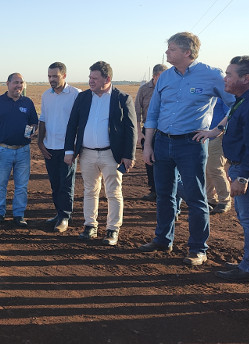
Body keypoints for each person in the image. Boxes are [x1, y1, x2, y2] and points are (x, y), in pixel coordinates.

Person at [140, 32, 235, 266]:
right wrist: (147, 145)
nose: (167, 53)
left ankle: (197, 249)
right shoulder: (165, 78)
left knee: (195, 197)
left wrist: (217, 130)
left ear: (187, 52)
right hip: (162, 142)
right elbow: (152, 113)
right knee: (164, 195)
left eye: (171, 49)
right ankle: (163, 239)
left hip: (191, 144)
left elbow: (236, 104)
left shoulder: (212, 75)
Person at [205, 56, 249, 283]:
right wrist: (218, 129)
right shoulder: (246, 98)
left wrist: (242, 177)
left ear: (246, 78)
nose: (225, 78)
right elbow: (232, 114)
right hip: (247, 167)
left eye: (229, 74)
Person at [63, 61, 136, 245]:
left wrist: (129, 155)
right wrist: (69, 150)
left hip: (112, 155)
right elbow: (72, 124)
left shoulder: (122, 98)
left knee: (113, 192)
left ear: (107, 79)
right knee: (90, 190)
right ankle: (90, 226)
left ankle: (112, 229)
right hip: (86, 154)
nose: (90, 81)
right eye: (90, 77)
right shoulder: (83, 97)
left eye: (95, 78)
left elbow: (131, 129)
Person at [0, 73, 38, 227]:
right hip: (3, 151)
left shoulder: (28, 103)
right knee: (0, 184)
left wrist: (33, 129)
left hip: (23, 151)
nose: (18, 86)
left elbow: (34, 123)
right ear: (7, 83)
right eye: (15, 82)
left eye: (21, 83)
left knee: (21, 186)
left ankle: (19, 215)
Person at [37, 62, 81, 232]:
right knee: (55, 183)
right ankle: (58, 213)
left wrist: (75, 147)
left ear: (64, 76)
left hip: (67, 148)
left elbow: (79, 122)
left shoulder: (76, 94)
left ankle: (64, 217)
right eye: (49, 76)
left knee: (66, 184)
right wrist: (40, 142)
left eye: (55, 76)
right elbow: (43, 119)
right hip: (49, 147)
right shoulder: (46, 95)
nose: (51, 79)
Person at [135, 64, 168, 201]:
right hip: (148, 131)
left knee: (166, 161)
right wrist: (138, 132)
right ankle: (154, 190)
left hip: (166, 130)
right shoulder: (144, 90)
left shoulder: (169, 88)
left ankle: (167, 191)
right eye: (161, 76)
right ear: (154, 76)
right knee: (149, 161)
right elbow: (136, 112)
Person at [206, 98, 231, 214]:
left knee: (215, 168)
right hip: (204, 135)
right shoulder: (206, 89)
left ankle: (224, 201)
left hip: (217, 136)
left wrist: (220, 131)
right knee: (207, 169)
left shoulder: (223, 93)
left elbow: (230, 114)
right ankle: (211, 199)